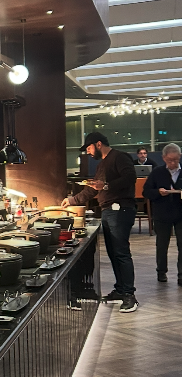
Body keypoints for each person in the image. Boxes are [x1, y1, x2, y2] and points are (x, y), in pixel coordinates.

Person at [62, 131, 138, 313]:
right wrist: (72, 200)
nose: (87, 152)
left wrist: (105, 186)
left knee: (121, 252)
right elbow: (92, 190)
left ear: (97, 144)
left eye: (88, 148)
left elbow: (130, 178)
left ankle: (130, 295)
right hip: (108, 211)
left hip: (121, 209)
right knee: (114, 253)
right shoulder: (102, 164)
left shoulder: (119, 157)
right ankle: (120, 290)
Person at [142, 142, 182, 283]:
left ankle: (181, 275)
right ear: (164, 158)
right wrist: (158, 192)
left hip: (180, 214)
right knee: (162, 244)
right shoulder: (157, 172)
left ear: (180, 157)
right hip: (162, 214)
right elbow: (146, 192)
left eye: (176, 160)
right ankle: (161, 272)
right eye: (170, 160)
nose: (173, 163)